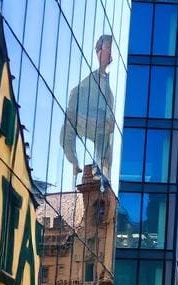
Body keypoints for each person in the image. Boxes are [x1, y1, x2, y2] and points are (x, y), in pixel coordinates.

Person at [60, 34, 115, 183]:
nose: (110, 53)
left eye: (111, 49)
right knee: (66, 132)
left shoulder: (107, 89)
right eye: (107, 48)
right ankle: (77, 164)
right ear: (98, 51)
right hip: (84, 119)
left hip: (98, 126)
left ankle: (101, 173)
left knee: (106, 144)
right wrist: (74, 161)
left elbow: (110, 122)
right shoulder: (88, 83)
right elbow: (73, 99)